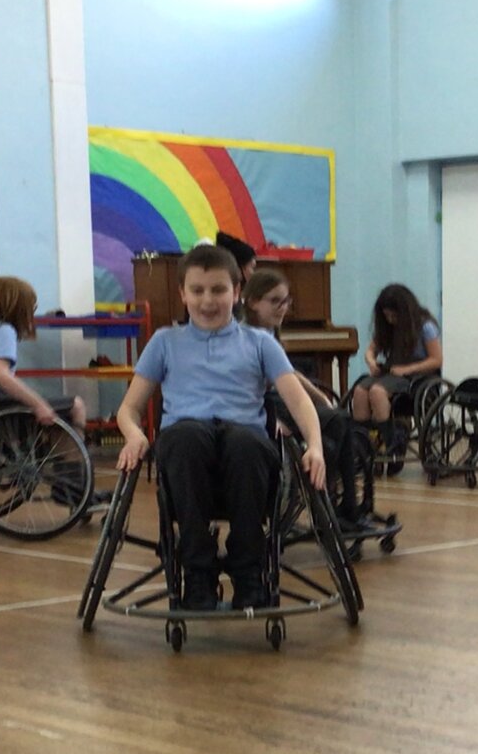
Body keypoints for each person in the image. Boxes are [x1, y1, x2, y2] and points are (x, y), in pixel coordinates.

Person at [116, 244, 328, 612]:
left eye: (218, 290)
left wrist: (315, 446)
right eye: (197, 291)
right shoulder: (165, 342)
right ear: (182, 293)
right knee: (185, 436)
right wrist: (134, 435)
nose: (207, 301)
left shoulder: (260, 343)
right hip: (187, 449)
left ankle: (248, 571)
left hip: (244, 449)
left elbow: (299, 401)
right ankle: (198, 572)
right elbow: (129, 408)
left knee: (244, 443)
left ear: (237, 292)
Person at [241, 266, 385, 534]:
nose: (283, 307)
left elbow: (288, 372)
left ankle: (341, 506)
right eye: (274, 301)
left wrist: (319, 396)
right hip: (265, 404)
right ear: (252, 302)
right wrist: (270, 419)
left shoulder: (269, 331)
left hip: (277, 399)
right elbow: (247, 387)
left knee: (337, 423)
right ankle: (333, 509)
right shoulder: (247, 335)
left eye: (286, 301)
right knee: (338, 423)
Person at [0, 274, 87, 436]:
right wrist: (38, 403)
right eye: (32, 307)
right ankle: (75, 459)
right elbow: (1, 375)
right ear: (20, 309)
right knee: (76, 405)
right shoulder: (4, 332)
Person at [349, 284, 443, 462]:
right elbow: (370, 351)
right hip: (393, 373)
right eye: (387, 316)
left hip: (418, 375)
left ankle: (392, 443)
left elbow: (436, 360)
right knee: (360, 391)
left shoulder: (425, 326)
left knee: (377, 391)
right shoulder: (388, 327)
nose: (391, 320)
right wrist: (371, 361)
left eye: (394, 315)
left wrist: (407, 369)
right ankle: (363, 444)